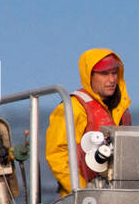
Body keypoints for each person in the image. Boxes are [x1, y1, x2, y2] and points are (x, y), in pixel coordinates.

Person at [45, 49, 132, 195]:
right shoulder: (72, 108)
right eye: (104, 73)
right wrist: (82, 191)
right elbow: (57, 154)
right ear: (89, 76)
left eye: (114, 73)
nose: (111, 79)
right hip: (80, 199)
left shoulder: (120, 109)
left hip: (114, 197)